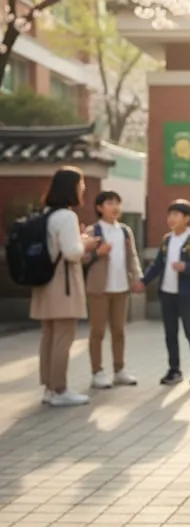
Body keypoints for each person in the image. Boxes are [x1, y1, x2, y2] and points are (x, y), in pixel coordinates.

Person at [31, 166, 100, 407]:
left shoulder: (46, 214)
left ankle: (49, 388)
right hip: (64, 283)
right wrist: (86, 243)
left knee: (48, 336)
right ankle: (60, 389)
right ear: (71, 187)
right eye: (81, 184)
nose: (83, 189)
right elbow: (72, 252)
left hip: (44, 281)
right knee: (63, 336)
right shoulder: (67, 216)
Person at [136, 199, 190, 386]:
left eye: (176, 215)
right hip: (167, 293)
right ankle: (174, 370)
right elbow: (157, 265)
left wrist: (186, 266)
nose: (171, 218)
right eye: (170, 214)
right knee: (170, 333)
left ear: (187, 218)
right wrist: (143, 282)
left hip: (187, 294)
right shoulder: (167, 240)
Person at [84, 190, 142, 389]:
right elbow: (82, 258)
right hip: (99, 289)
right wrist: (97, 253)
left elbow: (132, 256)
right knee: (97, 331)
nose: (115, 207)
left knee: (119, 331)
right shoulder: (93, 231)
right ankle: (97, 372)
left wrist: (137, 278)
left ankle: (119, 370)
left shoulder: (125, 231)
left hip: (121, 288)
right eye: (110, 203)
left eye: (117, 203)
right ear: (99, 208)